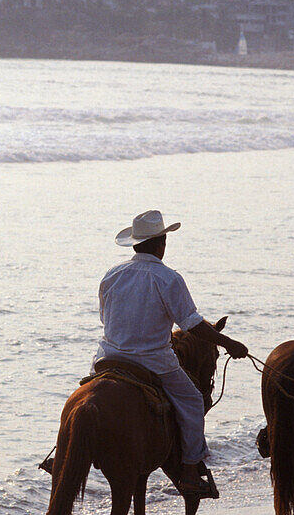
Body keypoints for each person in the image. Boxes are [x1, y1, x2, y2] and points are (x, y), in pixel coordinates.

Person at [94, 210, 249, 496]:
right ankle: (190, 471)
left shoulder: (112, 274)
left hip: (108, 357)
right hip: (153, 362)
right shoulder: (168, 278)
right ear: (162, 243)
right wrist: (228, 343)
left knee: (86, 396)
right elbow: (191, 324)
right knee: (191, 401)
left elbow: (106, 318)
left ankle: (62, 451)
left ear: (135, 244)